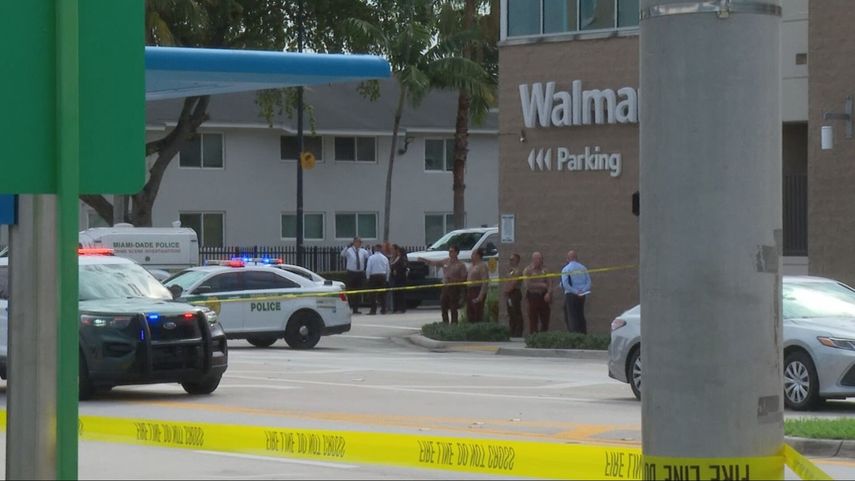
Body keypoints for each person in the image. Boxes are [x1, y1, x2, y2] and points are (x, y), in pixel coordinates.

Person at [420, 245, 468, 324]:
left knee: (453, 307)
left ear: (456, 253)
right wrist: (425, 260)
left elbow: (464, 278)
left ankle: (454, 323)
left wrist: (454, 280)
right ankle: (445, 322)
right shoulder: (446, 261)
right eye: (449, 251)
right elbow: (435, 263)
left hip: (454, 288)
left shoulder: (461, 265)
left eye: (452, 251)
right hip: (445, 286)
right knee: (443, 305)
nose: (450, 253)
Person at [560, 250, 591, 334]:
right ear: (576, 258)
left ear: (568, 258)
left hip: (571, 295)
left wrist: (575, 291)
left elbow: (565, 284)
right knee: (580, 314)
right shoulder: (583, 268)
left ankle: (574, 335)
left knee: (572, 316)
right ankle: (583, 334)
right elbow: (589, 282)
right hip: (582, 295)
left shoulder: (566, 268)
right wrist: (582, 291)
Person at [523, 252, 552, 334]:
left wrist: (549, 293)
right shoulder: (527, 270)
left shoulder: (545, 270)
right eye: (536, 258)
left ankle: (543, 336)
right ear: (533, 259)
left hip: (544, 297)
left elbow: (550, 284)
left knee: (545, 319)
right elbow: (528, 285)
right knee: (533, 319)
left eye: (540, 259)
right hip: (533, 296)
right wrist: (542, 285)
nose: (538, 260)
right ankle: (533, 336)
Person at [340, 237, 370, 314]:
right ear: (354, 242)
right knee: (350, 291)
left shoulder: (363, 251)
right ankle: (349, 307)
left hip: (360, 273)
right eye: (357, 242)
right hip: (351, 273)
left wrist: (369, 249)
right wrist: (347, 247)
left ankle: (356, 309)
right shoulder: (349, 250)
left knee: (358, 291)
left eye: (360, 242)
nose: (359, 244)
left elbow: (369, 256)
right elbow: (342, 254)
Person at [466, 247, 490, 322]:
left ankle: (478, 326)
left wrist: (480, 296)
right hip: (470, 290)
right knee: (470, 313)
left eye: (473, 254)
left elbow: (485, 282)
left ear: (478, 255)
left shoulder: (482, 266)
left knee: (477, 312)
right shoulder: (471, 266)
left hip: (477, 290)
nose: (471, 255)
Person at [366, 244, 390, 315]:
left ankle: (373, 310)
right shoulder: (384, 258)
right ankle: (383, 309)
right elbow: (388, 269)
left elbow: (368, 269)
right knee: (382, 294)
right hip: (382, 276)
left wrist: (368, 277)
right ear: (381, 249)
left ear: (375, 249)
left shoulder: (371, 258)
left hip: (373, 276)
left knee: (372, 294)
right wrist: (387, 279)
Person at [503, 253, 524, 337]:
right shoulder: (510, 271)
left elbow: (513, 283)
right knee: (511, 312)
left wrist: (507, 290)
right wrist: (506, 291)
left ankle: (518, 332)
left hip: (515, 293)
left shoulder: (518, 271)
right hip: (509, 293)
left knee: (516, 312)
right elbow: (507, 281)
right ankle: (512, 331)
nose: (510, 261)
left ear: (517, 260)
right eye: (510, 259)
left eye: (512, 259)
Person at [390, 244, 409, 313]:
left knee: (401, 293)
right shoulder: (394, 258)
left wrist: (396, 270)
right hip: (394, 278)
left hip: (400, 278)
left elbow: (404, 267)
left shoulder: (402, 259)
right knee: (395, 293)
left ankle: (402, 308)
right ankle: (395, 308)